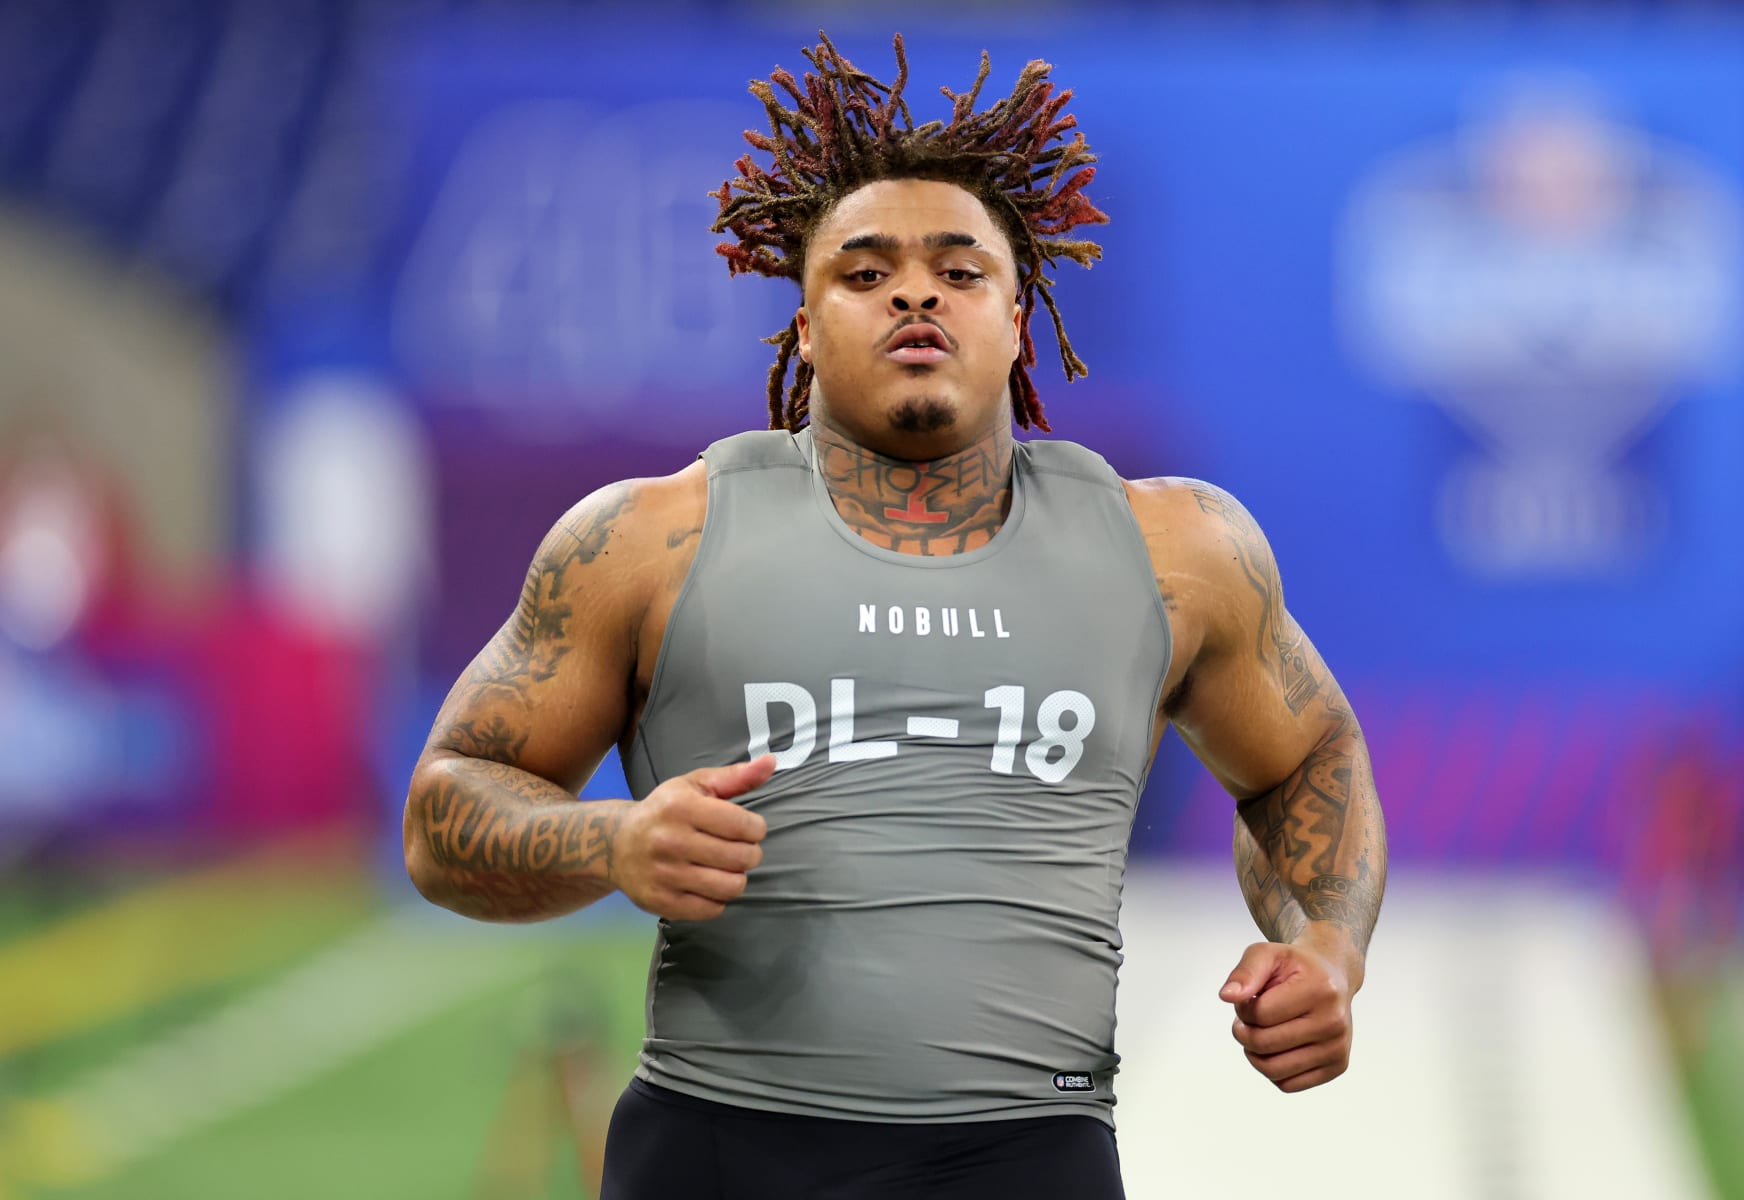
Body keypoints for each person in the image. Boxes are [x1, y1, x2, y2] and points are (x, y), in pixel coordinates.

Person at [402, 33, 1387, 1199]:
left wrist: (1327, 947)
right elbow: (444, 809)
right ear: (804, 326)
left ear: (1019, 321)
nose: (915, 291)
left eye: (960, 272)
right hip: (721, 1150)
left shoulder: (1178, 551)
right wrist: (610, 843)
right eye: (864, 274)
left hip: (1030, 1157)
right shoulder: (644, 541)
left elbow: (1307, 759)